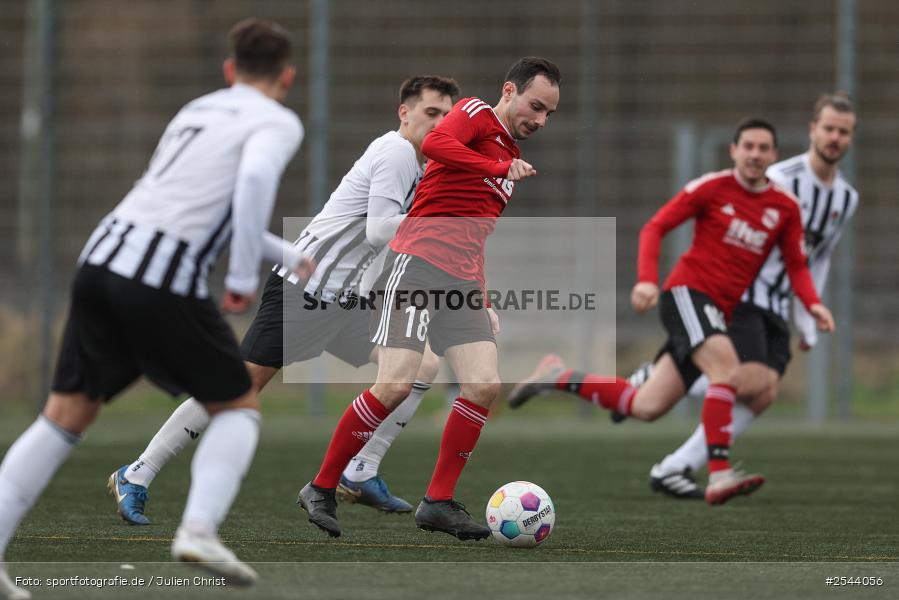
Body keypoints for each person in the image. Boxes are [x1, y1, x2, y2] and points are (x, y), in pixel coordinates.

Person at [0, 19, 310, 596]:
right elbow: (254, 180)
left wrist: (281, 250)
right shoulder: (277, 120)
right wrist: (242, 277)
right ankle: (198, 529)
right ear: (287, 77)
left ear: (228, 71)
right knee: (238, 404)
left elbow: (190, 203)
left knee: (65, 415)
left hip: (101, 259)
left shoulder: (197, 110)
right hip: (159, 278)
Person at [107, 75, 459, 525]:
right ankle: (137, 473)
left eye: (448, 116)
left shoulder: (424, 163)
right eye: (431, 113)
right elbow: (380, 230)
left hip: (345, 301)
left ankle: (360, 469)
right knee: (234, 388)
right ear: (404, 113)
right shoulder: (395, 152)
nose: (440, 123)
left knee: (421, 366)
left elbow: (382, 245)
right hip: (304, 290)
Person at [297, 56, 561, 540]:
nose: (540, 120)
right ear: (510, 91)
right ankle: (321, 486)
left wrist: (481, 295)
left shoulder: (509, 163)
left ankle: (436, 502)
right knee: (396, 383)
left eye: (549, 114)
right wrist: (498, 164)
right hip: (417, 265)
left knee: (483, 386)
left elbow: (475, 233)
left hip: (462, 281)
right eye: (536, 106)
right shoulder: (476, 113)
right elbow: (437, 144)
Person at [508, 117, 835, 507]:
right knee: (727, 371)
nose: (755, 154)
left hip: (720, 312)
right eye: (748, 146)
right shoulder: (712, 188)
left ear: (774, 155)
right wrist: (647, 279)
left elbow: (797, 264)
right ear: (733, 151)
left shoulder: (784, 206)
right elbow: (655, 227)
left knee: (645, 405)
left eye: (764, 148)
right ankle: (718, 473)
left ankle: (557, 376)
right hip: (688, 294)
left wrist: (813, 305)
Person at [640, 93, 859, 498]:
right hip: (745, 297)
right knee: (743, 377)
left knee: (763, 392)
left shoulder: (846, 198)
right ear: (812, 130)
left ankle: (674, 461)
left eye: (843, 132)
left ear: (850, 138)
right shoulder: (778, 178)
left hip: (778, 306)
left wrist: (809, 315)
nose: (834, 137)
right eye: (828, 128)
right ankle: (686, 416)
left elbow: (814, 260)